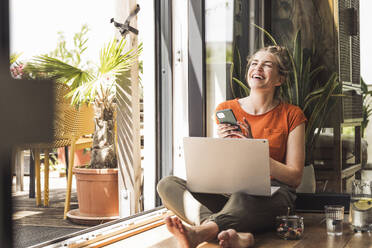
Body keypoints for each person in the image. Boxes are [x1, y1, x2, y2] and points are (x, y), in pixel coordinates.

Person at [157, 45, 307, 248]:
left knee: (242, 198)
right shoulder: (226, 109)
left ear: (280, 79)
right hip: (228, 193)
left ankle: (202, 232)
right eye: (254, 63)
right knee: (167, 185)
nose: (258, 68)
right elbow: (221, 167)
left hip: (273, 195)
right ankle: (237, 235)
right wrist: (223, 146)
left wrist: (254, 152)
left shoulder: (292, 114)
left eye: (267, 65)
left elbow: (295, 177)